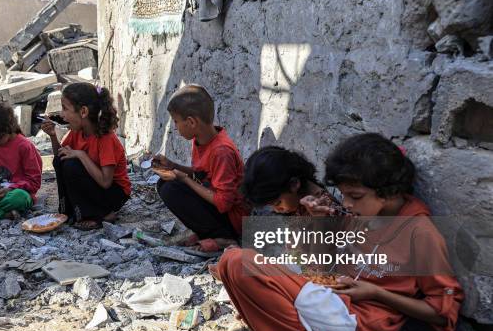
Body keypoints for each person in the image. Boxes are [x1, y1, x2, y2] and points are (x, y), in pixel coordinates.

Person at [213, 133, 463, 331]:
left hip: (358, 323)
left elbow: (444, 312)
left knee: (238, 262)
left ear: (388, 191)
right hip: (333, 302)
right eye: (344, 195)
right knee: (233, 263)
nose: (347, 204)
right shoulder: (361, 215)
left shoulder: (420, 232)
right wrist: (319, 223)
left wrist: (377, 293)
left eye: (355, 196)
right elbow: (320, 269)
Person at [154, 84, 250, 252]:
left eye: (176, 122)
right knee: (163, 184)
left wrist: (183, 178)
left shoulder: (221, 151)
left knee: (172, 189)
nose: (176, 128)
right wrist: (172, 165)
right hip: (215, 204)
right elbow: (201, 174)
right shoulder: (201, 140)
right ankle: (205, 232)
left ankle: (224, 238)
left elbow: (224, 204)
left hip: (233, 220)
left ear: (191, 122)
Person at [41, 83, 131, 230]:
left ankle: (103, 214)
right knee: (61, 160)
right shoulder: (77, 131)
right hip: (96, 187)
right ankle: (69, 211)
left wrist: (81, 155)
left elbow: (105, 182)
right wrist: (52, 136)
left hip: (115, 193)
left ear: (83, 112)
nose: (62, 115)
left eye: (65, 108)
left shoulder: (105, 138)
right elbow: (60, 156)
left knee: (72, 165)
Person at [241, 146, 342, 216]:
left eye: (277, 203)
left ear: (294, 184)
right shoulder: (297, 203)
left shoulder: (327, 209)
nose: (276, 210)